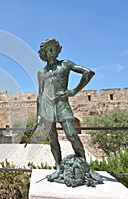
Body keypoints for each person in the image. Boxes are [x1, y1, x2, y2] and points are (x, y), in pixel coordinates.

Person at [37, 38, 95, 181]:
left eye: (53, 49)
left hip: (62, 106)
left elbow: (88, 73)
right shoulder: (41, 73)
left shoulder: (65, 65)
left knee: (72, 135)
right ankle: (58, 167)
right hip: (48, 109)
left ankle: (84, 164)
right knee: (52, 139)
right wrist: (39, 114)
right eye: (48, 49)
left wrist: (73, 91)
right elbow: (40, 95)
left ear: (57, 50)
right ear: (43, 53)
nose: (51, 52)